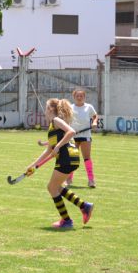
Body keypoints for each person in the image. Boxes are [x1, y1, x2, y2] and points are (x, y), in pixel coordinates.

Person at [25, 98, 94, 230]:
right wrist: (32, 166)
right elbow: (49, 150)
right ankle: (84, 206)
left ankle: (67, 220)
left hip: (67, 157)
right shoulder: (52, 125)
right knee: (56, 187)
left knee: (52, 188)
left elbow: (71, 132)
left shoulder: (56, 120)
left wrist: (58, 145)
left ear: (51, 109)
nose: (44, 111)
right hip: (70, 158)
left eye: (46, 108)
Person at [66, 88, 98, 188]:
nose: (79, 98)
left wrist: (94, 122)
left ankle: (91, 180)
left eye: (81, 96)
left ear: (84, 97)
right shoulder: (70, 107)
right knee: (72, 158)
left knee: (87, 158)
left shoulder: (89, 107)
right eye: (77, 96)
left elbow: (95, 116)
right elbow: (66, 120)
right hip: (73, 136)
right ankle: (68, 179)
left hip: (85, 136)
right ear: (74, 97)